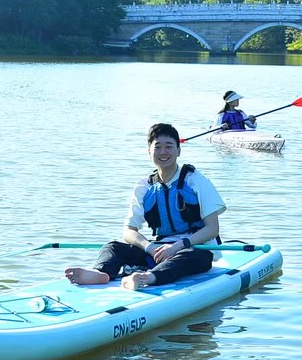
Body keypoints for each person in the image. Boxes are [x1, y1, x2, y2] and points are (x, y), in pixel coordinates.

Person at [64, 123, 225, 291]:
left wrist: (178, 246)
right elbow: (128, 231)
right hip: (158, 251)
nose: (163, 152)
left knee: (193, 257)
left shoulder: (196, 181)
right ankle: (101, 272)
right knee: (113, 247)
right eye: (158, 147)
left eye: (169, 146)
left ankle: (147, 278)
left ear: (178, 150)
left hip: (194, 249)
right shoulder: (144, 186)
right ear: (149, 151)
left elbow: (212, 229)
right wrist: (149, 247)